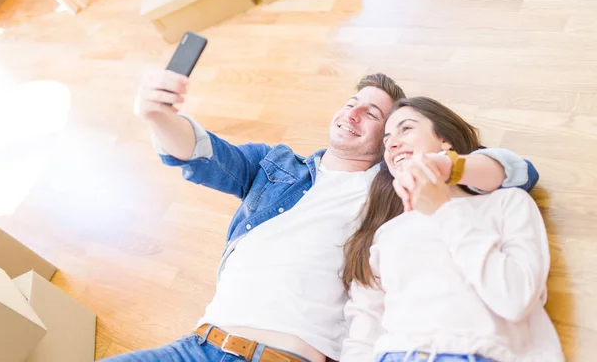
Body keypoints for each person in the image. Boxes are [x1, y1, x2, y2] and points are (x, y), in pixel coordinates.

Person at [103, 70, 539, 362]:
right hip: (197, 346)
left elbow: (517, 172)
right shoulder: (275, 168)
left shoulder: (394, 191)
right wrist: (156, 115)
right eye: (352, 102)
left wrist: (448, 165)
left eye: (374, 116)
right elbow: (201, 155)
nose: (352, 114)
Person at [341, 97, 563, 362]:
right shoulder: (385, 233)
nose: (392, 143)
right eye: (387, 139)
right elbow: (363, 332)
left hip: (476, 353)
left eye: (406, 129)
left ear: (445, 140)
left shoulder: (506, 203)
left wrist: (443, 209)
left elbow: (514, 300)